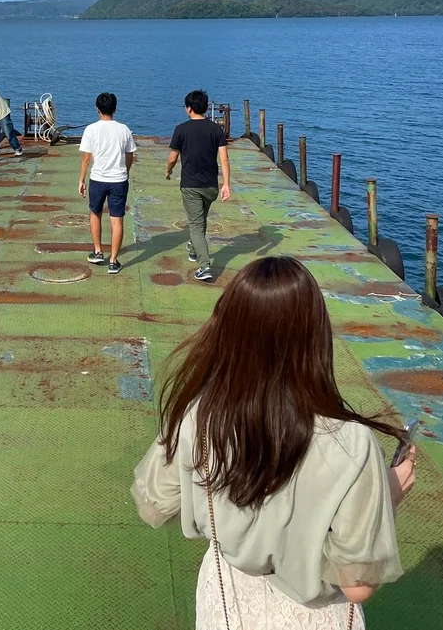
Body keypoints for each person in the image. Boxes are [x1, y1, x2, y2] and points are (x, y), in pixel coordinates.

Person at [131, 256, 416, 630]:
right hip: (311, 617)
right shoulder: (352, 442)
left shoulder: (199, 414)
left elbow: (154, 505)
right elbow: (357, 585)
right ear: (315, 335)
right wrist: (390, 494)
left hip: (225, 598)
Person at [166, 89, 230, 282]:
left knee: (195, 223)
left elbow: (172, 157)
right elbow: (224, 158)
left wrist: (168, 171)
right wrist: (226, 184)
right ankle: (194, 249)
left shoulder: (181, 129)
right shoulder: (216, 130)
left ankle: (204, 266)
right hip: (211, 185)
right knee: (200, 219)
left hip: (191, 185)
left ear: (189, 108)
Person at [78, 92, 137, 275]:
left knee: (95, 213)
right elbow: (130, 156)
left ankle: (97, 251)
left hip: (97, 179)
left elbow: (87, 158)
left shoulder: (91, 129)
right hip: (118, 180)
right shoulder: (124, 129)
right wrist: (125, 172)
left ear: (98, 109)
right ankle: (113, 261)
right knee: (116, 219)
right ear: (115, 109)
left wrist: (81, 180)